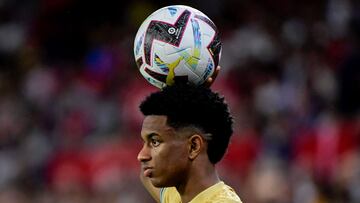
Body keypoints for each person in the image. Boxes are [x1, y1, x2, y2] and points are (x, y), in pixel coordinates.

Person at [137, 69, 242, 203]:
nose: (141, 155)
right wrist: (187, 97)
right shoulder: (177, 197)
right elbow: (146, 175)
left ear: (193, 146)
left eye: (155, 142)